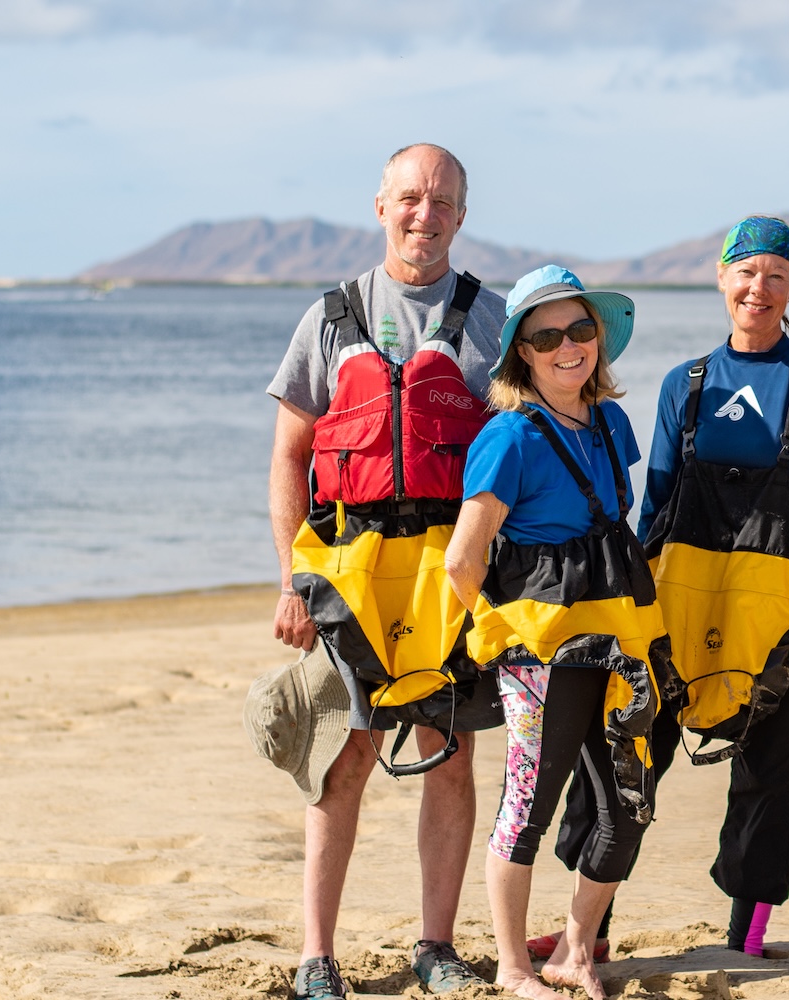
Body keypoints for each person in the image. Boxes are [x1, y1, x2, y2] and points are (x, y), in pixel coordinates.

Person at [546, 216, 789, 959]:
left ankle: (746, 940)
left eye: (776, 276)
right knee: (623, 761)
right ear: (722, 277)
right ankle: (585, 929)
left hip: (784, 630)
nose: (759, 288)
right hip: (674, 620)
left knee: (768, 781)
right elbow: (651, 514)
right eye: (746, 272)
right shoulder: (683, 386)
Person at [266, 143, 503, 1000]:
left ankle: (436, 948)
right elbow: (290, 457)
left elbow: (523, 454)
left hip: (451, 579)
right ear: (380, 207)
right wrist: (295, 578)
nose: (424, 215)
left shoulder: (493, 321)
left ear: (461, 216)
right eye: (409, 198)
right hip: (351, 574)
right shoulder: (329, 318)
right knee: (342, 760)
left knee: (450, 757)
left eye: (441, 202)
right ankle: (316, 957)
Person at [445, 265, 664, 1000]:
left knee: (627, 802)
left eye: (580, 329)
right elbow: (463, 559)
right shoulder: (508, 438)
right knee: (528, 807)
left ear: (598, 338)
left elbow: (612, 524)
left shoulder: (611, 423)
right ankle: (511, 968)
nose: (567, 346)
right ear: (523, 355)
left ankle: (575, 948)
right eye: (547, 336)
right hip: (540, 654)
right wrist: (495, 639)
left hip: (617, 640)